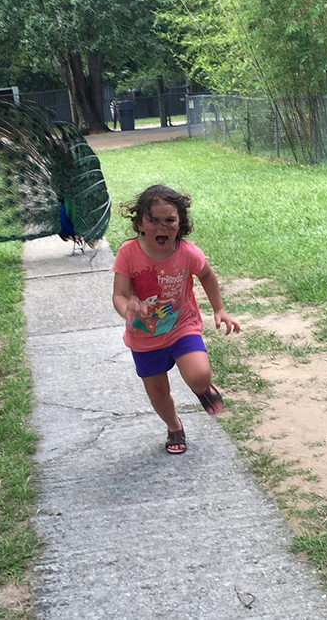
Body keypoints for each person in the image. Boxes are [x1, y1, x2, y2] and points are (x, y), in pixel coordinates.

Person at [111, 185, 241, 454]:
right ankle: (174, 426)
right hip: (144, 336)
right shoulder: (128, 253)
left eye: (169, 220)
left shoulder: (188, 252)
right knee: (158, 393)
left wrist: (219, 309)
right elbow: (119, 295)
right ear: (140, 224)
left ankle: (201, 388)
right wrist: (128, 309)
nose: (162, 227)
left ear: (180, 223)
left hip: (182, 326)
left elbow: (207, 275)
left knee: (199, 375)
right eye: (153, 220)